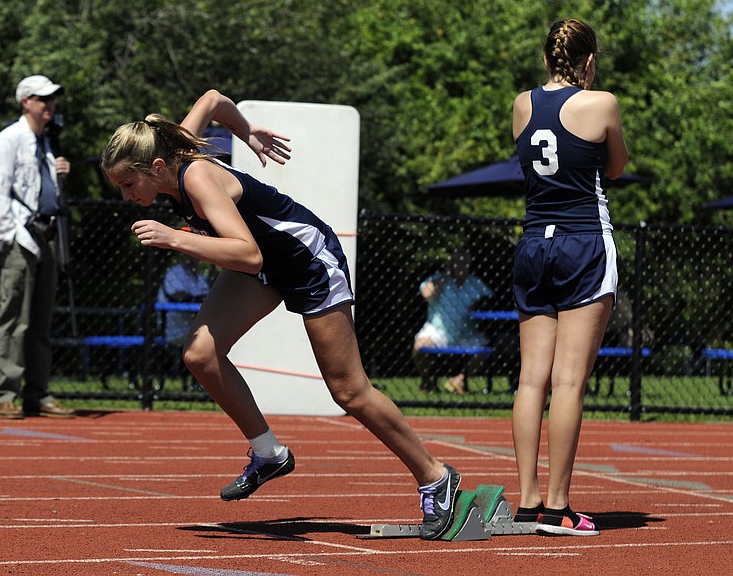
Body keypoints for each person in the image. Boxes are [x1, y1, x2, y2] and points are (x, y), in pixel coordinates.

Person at [101, 89, 462, 540]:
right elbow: (212, 99)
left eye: (127, 185)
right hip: (269, 266)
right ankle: (268, 452)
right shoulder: (173, 151)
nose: (125, 196)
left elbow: (247, 254)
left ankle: (435, 476)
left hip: (308, 261)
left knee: (348, 391)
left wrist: (176, 238)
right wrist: (245, 130)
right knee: (200, 353)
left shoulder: (194, 178)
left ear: (154, 170)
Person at [509, 19, 629, 536]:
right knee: (569, 381)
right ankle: (558, 508)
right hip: (584, 242)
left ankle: (528, 501)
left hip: (534, 242)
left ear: (544, 59)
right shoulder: (602, 103)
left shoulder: (521, 103)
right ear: (588, 61)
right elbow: (617, 167)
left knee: (531, 379)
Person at [0, 75, 76, 419]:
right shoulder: (8, 139)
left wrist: (59, 172)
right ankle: (4, 393)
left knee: (40, 321)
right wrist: (7, 234)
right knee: (14, 318)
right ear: (26, 101)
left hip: (47, 237)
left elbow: (41, 188)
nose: (49, 105)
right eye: (43, 99)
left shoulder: (46, 141)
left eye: (52, 99)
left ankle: (38, 393)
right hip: (22, 237)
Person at [412, 249, 493, 394]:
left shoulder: (476, 284)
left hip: (467, 332)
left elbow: (491, 302)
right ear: (450, 264)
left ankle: (459, 380)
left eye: (464, 263)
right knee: (420, 347)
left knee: (484, 352)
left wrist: (480, 305)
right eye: (456, 262)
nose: (460, 266)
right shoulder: (438, 280)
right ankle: (427, 382)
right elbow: (427, 294)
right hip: (438, 332)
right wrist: (445, 275)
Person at [156, 254, 212, 389]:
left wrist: (194, 298)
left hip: (194, 322)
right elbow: (177, 296)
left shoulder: (200, 276)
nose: (193, 259)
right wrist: (195, 298)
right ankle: (171, 383)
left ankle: (197, 384)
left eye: (195, 256)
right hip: (172, 323)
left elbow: (207, 296)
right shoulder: (175, 272)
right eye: (189, 256)